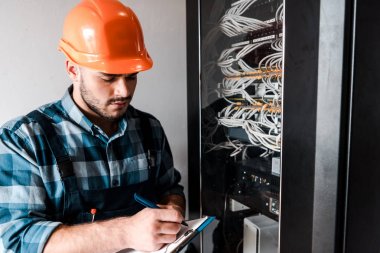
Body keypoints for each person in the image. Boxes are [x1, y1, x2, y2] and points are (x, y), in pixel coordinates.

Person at [0, 0, 186, 252]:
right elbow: (19, 239)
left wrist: (172, 208)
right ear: (72, 69)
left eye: (132, 76)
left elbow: (170, 189)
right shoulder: (24, 140)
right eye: (108, 77)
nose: (123, 90)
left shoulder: (149, 129)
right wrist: (125, 233)